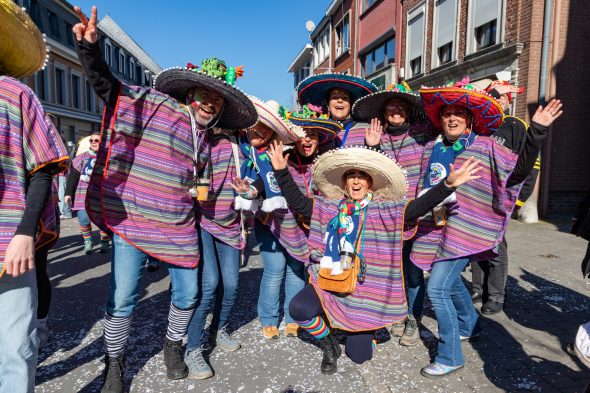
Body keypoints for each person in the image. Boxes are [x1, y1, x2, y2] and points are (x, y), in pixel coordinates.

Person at [72, 6, 256, 392]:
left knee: (189, 294)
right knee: (122, 298)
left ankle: (173, 347)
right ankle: (115, 367)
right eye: (204, 96)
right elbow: (109, 88)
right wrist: (90, 51)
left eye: (216, 102)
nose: (209, 104)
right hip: (135, 220)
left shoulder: (208, 139)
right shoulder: (157, 106)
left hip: (178, 225)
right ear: (190, 93)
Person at [266, 142, 481, 374]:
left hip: (364, 292)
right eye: (351, 176)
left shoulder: (384, 210)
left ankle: (361, 328)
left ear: (370, 182)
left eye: (361, 176)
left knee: (359, 356)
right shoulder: (328, 207)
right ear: (344, 182)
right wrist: (280, 171)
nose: (356, 181)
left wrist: (447, 185)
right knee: (299, 309)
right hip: (330, 282)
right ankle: (329, 346)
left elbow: (417, 208)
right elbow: (297, 202)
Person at [411, 80, 561, 378]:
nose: (452, 118)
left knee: (438, 288)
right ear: (440, 119)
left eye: (459, 114)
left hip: (464, 231)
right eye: (446, 114)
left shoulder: (484, 146)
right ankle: (470, 325)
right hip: (434, 227)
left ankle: (450, 355)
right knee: (452, 283)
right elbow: (422, 186)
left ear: (469, 120)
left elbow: (516, 172)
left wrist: (537, 132)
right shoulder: (431, 148)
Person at [0, 2, 69, 391]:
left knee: (15, 348)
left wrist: (25, 232)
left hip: (8, 242)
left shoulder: (14, 94)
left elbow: (42, 167)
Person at [232, 103, 339, 340]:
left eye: (313, 135)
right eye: (303, 135)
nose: (308, 140)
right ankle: (269, 319)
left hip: (304, 229)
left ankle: (292, 318)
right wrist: (248, 193)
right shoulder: (280, 157)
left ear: (319, 139)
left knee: (296, 270)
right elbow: (261, 183)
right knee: (274, 270)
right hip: (272, 223)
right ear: (294, 139)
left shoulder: (324, 166)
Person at [350, 81, 437, 345]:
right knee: (384, 269)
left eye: (401, 105)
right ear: (384, 111)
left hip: (415, 215)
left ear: (409, 110)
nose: (396, 110)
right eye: (391, 106)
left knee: (412, 271)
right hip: (382, 218)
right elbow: (371, 175)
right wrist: (373, 146)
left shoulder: (423, 135)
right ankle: (385, 316)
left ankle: (412, 318)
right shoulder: (376, 136)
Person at [470, 79, 562, 315]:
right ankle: (478, 288)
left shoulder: (516, 126)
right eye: (492, 96)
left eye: (501, 97)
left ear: (507, 102)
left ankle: (497, 295)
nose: (497, 101)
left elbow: (531, 167)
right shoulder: (479, 126)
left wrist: (518, 201)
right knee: (476, 246)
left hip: (501, 199)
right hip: (477, 197)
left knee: (496, 247)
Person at [296, 73, 377, 149]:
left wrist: (374, 146)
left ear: (350, 104)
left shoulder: (366, 129)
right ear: (328, 104)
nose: (340, 100)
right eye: (335, 97)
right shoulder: (318, 131)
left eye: (345, 98)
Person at [64, 132, 111, 254]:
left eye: (97, 140)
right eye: (92, 140)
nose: (94, 142)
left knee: (103, 220)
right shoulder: (82, 157)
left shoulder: (108, 158)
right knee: (84, 219)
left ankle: (104, 241)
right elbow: (73, 176)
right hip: (83, 194)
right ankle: (88, 242)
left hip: (101, 194)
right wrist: (68, 193)